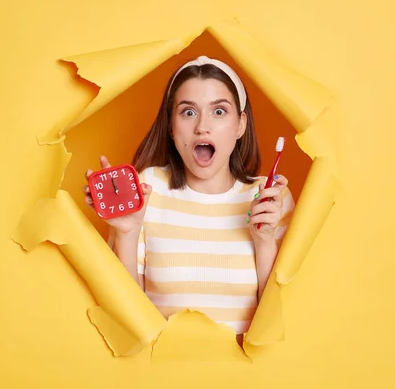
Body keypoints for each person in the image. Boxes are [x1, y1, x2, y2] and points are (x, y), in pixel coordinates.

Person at [83, 56, 295, 340]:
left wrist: (265, 241)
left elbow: (279, 321)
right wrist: (127, 232)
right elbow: (125, 319)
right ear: (171, 126)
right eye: (188, 112)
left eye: (219, 112)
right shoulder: (148, 187)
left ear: (241, 125)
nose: (202, 127)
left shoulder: (268, 199)